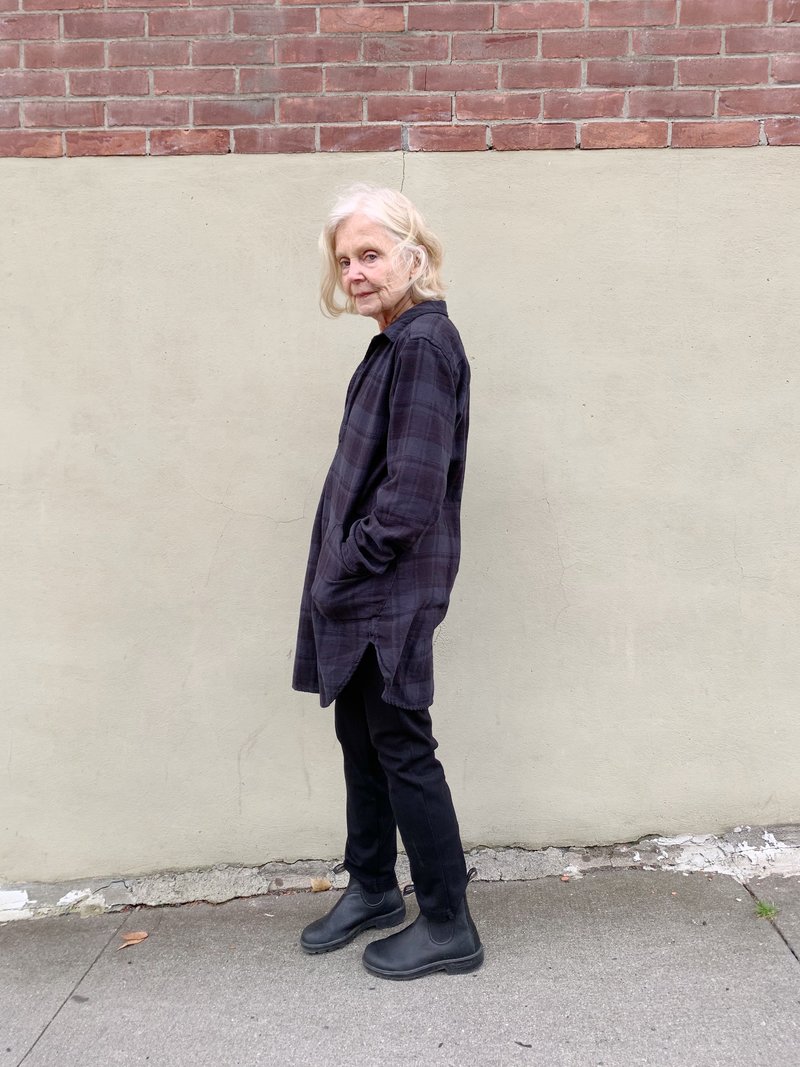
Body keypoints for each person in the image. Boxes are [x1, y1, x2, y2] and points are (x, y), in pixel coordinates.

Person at [292, 184, 483, 981]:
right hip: (364, 589)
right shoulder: (394, 343)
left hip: (387, 589)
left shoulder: (424, 345)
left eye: (370, 255)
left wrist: (345, 563)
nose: (356, 274)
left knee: (402, 745)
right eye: (346, 261)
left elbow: (409, 498)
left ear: (415, 255)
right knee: (362, 739)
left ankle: (448, 921)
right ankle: (373, 885)